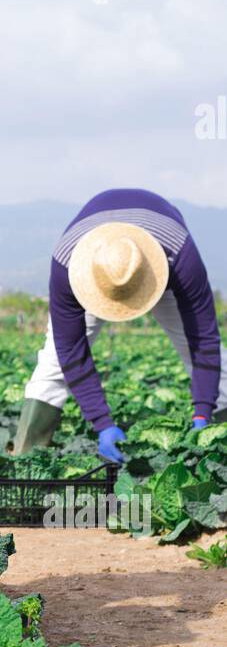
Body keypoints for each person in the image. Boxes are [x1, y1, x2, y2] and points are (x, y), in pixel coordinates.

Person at [13, 188, 227, 459]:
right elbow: (70, 350)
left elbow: (204, 341)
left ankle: (218, 447)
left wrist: (202, 414)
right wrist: (102, 423)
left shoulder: (179, 254)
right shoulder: (67, 266)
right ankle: (25, 463)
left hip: (162, 265)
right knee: (52, 364)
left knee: (217, 367)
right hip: (90, 269)